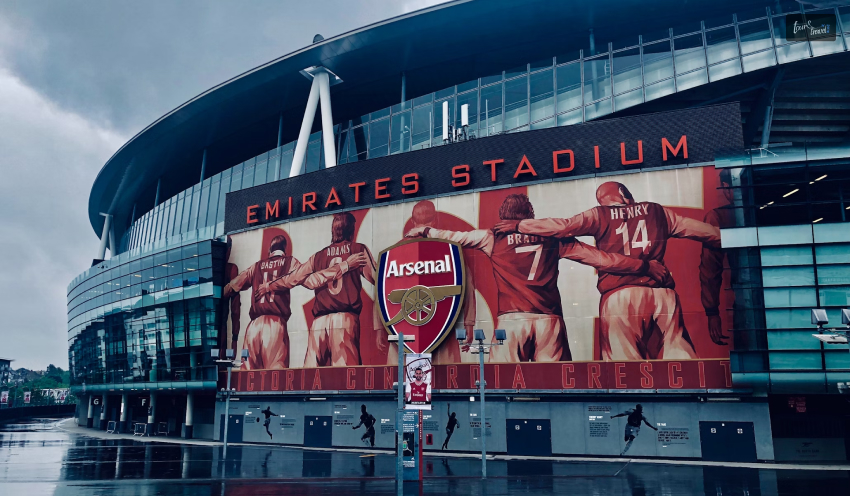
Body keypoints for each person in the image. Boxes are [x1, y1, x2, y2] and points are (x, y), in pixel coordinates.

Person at [406, 193, 671, 362]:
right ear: (530, 216)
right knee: (554, 387)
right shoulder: (554, 239)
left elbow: (454, 237)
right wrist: (643, 266)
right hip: (549, 321)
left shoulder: (491, 237)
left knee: (502, 388)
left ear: (503, 217)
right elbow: (602, 259)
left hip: (509, 322)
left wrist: (425, 230)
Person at [495, 182, 721, 361]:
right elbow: (708, 233)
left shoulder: (598, 215)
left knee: (622, 362)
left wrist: (519, 225)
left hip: (619, 294)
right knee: (678, 352)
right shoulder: (657, 211)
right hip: (661, 292)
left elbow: (563, 226)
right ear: (624, 194)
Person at [224, 235, 367, 369]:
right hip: (274, 324)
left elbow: (231, 287)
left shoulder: (256, 266)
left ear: (270, 251)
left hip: (252, 327)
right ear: (284, 249)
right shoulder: (290, 262)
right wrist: (344, 266)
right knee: (276, 377)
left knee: (247, 377)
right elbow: (312, 282)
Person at [301, 213, 376, 367]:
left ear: (333, 231)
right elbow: (376, 277)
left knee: (309, 377)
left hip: (318, 322)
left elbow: (303, 279)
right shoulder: (357, 249)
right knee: (345, 377)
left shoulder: (319, 256)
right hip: (344, 318)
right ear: (351, 230)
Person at [700, 169, 735, 346]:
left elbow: (710, 269)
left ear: (725, 187)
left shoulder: (719, 217)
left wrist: (712, 312)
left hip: (744, 300)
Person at [221, 237, 242, 353]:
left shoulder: (230, 269)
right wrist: (234, 338)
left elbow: (235, 308)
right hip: (219, 324)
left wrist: (235, 337)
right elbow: (235, 309)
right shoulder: (230, 269)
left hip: (217, 325)